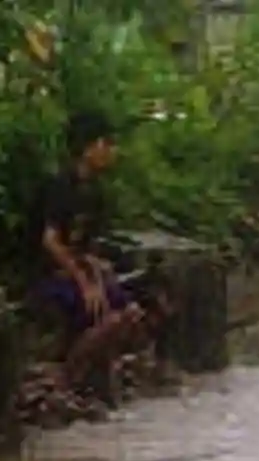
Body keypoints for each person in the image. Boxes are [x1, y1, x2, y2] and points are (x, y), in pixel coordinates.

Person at [31, 110, 166, 402]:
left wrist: (97, 273)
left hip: (78, 274)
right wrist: (84, 281)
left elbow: (88, 249)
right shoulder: (59, 186)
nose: (112, 151)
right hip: (51, 277)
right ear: (89, 147)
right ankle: (70, 377)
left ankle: (98, 377)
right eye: (108, 144)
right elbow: (50, 242)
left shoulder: (96, 193)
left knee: (132, 313)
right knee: (105, 314)